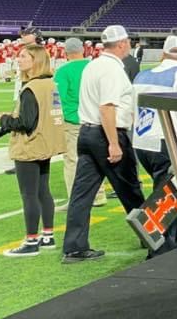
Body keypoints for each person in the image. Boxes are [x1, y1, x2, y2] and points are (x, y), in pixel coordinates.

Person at [62, 25, 145, 263]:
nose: (129, 44)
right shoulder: (112, 70)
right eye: (127, 41)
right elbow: (107, 107)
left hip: (86, 133)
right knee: (130, 190)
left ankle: (74, 247)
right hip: (106, 134)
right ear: (121, 44)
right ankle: (154, 236)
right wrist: (113, 144)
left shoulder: (93, 65)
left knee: (82, 194)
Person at [132, 34, 177, 254]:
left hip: (142, 141)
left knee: (175, 192)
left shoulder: (142, 75)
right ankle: (161, 251)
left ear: (163, 53)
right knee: (169, 196)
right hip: (169, 141)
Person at [0, 44, 66, 256]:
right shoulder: (50, 83)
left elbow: (26, 123)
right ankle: (47, 235)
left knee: (29, 195)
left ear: (34, 60)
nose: (19, 59)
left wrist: (4, 119)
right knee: (43, 191)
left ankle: (31, 241)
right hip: (46, 143)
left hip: (30, 146)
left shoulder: (31, 88)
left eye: (23, 56)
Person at [54, 37, 106, 208]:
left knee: (72, 160)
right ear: (83, 50)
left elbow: (57, 97)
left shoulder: (63, 71)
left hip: (73, 119)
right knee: (96, 157)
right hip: (96, 118)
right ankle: (98, 195)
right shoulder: (95, 67)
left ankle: (76, 199)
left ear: (66, 53)